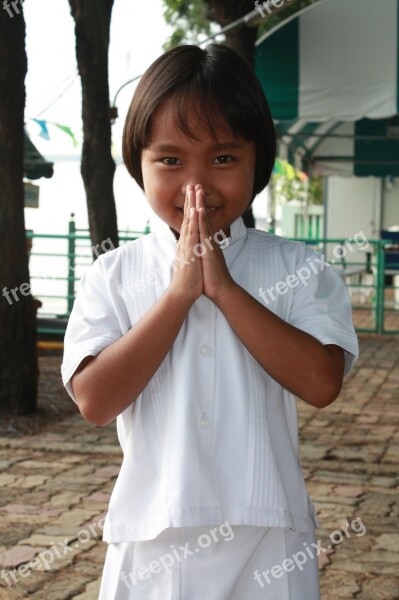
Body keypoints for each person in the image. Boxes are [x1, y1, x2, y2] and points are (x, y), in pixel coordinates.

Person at [61, 43, 359, 600]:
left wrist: (222, 289)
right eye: (170, 161)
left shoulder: (296, 268)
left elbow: (321, 383)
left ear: (258, 162)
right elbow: (95, 401)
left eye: (223, 159)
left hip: (270, 534)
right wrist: (178, 296)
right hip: (151, 538)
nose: (196, 185)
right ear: (138, 164)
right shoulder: (114, 274)